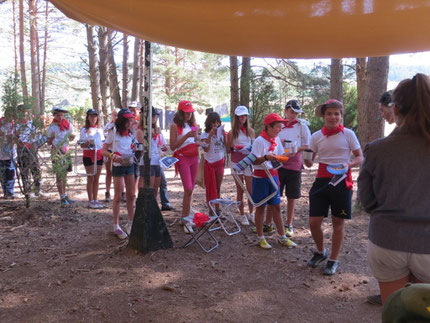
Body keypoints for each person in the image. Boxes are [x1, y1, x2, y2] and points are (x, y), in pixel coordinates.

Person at [358, 73, 430, 304]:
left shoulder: (377, 149)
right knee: (422, 313)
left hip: (386, 240)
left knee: (394, 311)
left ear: (396, 108)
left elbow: (366, 201)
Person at [304, 99, 363, 275]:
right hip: (321, 180)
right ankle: (321, 252)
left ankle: (333, 260)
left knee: (338, 223)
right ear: (323, 116)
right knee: (314, 222)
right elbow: (308, 163)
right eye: (329, 113)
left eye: (337, 113)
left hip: (342, 181)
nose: (333, 117)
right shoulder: (316, 136)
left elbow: (360, 157)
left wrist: (349, 165)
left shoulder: (348, 134)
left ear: (341, 115)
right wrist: (304, 156)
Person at [251, 113, 297, 249]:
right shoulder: (259, 141)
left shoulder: (276, 140)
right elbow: (254, 160)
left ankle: (282, 237)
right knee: (260, 207)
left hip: (274, 176)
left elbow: (280, 155)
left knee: (276, 206)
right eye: (278, 127)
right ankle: (261, 237)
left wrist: (287, 155)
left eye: (280, 126)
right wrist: (265, 157)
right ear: (269, 127)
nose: (280, 129)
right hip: (260, 178)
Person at [277, 100, 311, 237]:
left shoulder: (302, 126)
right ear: (285, 111)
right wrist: (281, 143)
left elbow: (308, 145)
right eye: (291, 112)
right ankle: (275, 222)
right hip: (278, 164)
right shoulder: (279, 125)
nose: (294, 115)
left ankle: (289, 223)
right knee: (276, 195)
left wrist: (296, 149)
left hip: (295, 165)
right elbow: (271, 141)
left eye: (296, 113)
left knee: (292, 196)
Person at [102, 108, 137, 239]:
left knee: (131, 195)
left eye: (130, 119)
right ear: (121, 120)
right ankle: (116, 225)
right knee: (117, 196)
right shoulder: (113, 132)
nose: (129, 122)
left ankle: (131, 222)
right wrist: (112, 155)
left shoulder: (130, 133)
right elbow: (103, 151)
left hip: (130, 165)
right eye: (127, 120)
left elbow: (133, 146)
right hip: (118, 166)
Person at [169, 100, 199, 234]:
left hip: (194, 157)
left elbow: (196, 141)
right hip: (182, 158)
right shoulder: (174, 126)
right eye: (186, 113)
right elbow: (173, 146)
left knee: (191, 189)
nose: (189, 115)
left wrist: (203, 141)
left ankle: (186, 216)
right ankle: (186, 219)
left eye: (190, 112)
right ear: (181, 113)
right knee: (187, 187)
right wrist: (187, 135)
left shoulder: (193, 124)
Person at [226, 105, 255, 225]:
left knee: (250, 189)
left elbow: (255, 148)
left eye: (244, 115)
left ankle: (251, 213)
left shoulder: (251, 131)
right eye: (240, 116)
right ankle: (242, 214)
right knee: (240, 190)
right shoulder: (232, 132)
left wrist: (249, 149)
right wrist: (234, 148)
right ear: (237, 117)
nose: (243, 118)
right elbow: (228, 149)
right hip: (236, 162)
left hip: (248, 162)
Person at [47, 106, 75, 207]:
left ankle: (65, 194)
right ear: (54, 115)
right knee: (59, 174)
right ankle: (61, 197)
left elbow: (70, 137)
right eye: (58, 115)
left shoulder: (67, 124)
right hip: (56, 151)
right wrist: (51, 139)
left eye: (61, 115)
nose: (60, 117)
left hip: (65, 151)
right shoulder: (52, 127)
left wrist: (72, 137)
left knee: (65, 174)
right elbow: (48, 142)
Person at [136, 107, 167, 200]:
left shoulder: (157, 130)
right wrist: (150, 136)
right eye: (152, 116)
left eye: (155, 115)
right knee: (148, 188)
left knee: (155, 190)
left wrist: (164, 149)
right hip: (147, 161)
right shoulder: (140, 130)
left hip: (158, 161)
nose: (154, 117)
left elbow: (162, 145)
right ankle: (144, 209)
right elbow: (143, 147)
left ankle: (153, 208)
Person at [200, 112, 226, 213]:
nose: (215, 125)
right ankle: (211, 210)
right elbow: (205, 149)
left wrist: (225, 135)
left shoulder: (221, 133)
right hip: (210, 163)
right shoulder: (204, 134)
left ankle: (217, 208)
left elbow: (226, 147)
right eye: (213, 123)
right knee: (210, 187)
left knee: (218, 187)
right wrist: (210, 135)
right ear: (209, 123)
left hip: (220, 162)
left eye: (217, 123)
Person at [15, 104, 42, 197]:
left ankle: (38, 189)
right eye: (23, 112)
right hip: (22, 149)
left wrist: (37, 137)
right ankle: (27, 191)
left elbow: (35, 136)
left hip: (32, 148)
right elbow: (14, 138)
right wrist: (17, 138)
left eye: (26, 112)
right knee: (24, 170)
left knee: (36, 169)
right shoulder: (16, 125)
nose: (25, 114)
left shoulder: (30, 124)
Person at [79, 109, 105, 209]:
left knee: (97, 178)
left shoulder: (100, 130)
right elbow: (80, 144)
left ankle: (96, 199)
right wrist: (86, 143)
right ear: (88, 117)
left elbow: (102, 143)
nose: (93, 118)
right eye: (91, 116)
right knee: (91, 178)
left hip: (99, 155)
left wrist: (105, 154)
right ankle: (90, 200)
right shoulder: (84, 130)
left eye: (95, 116)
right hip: (88, 155)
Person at [0, 109, 16, 199]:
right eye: (9, 115)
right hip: (1, 154)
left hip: (11, 154)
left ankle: (9, 192)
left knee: (11, 173)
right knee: (3, 174)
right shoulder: (0, 123)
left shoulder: (14, 125)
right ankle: (5, 192)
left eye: (12, 116)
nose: (11, 118)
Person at [103, 109, 118, 202]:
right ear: (112, 116)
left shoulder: (123, 126)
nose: (116, 117)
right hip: (109, 151)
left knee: (120, 173)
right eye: (115, 115)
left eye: (118, 115)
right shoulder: (108, 126)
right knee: (109, 172)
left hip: (119, 152)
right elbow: (104, 138)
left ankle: (121, 192)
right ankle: (107, 192)